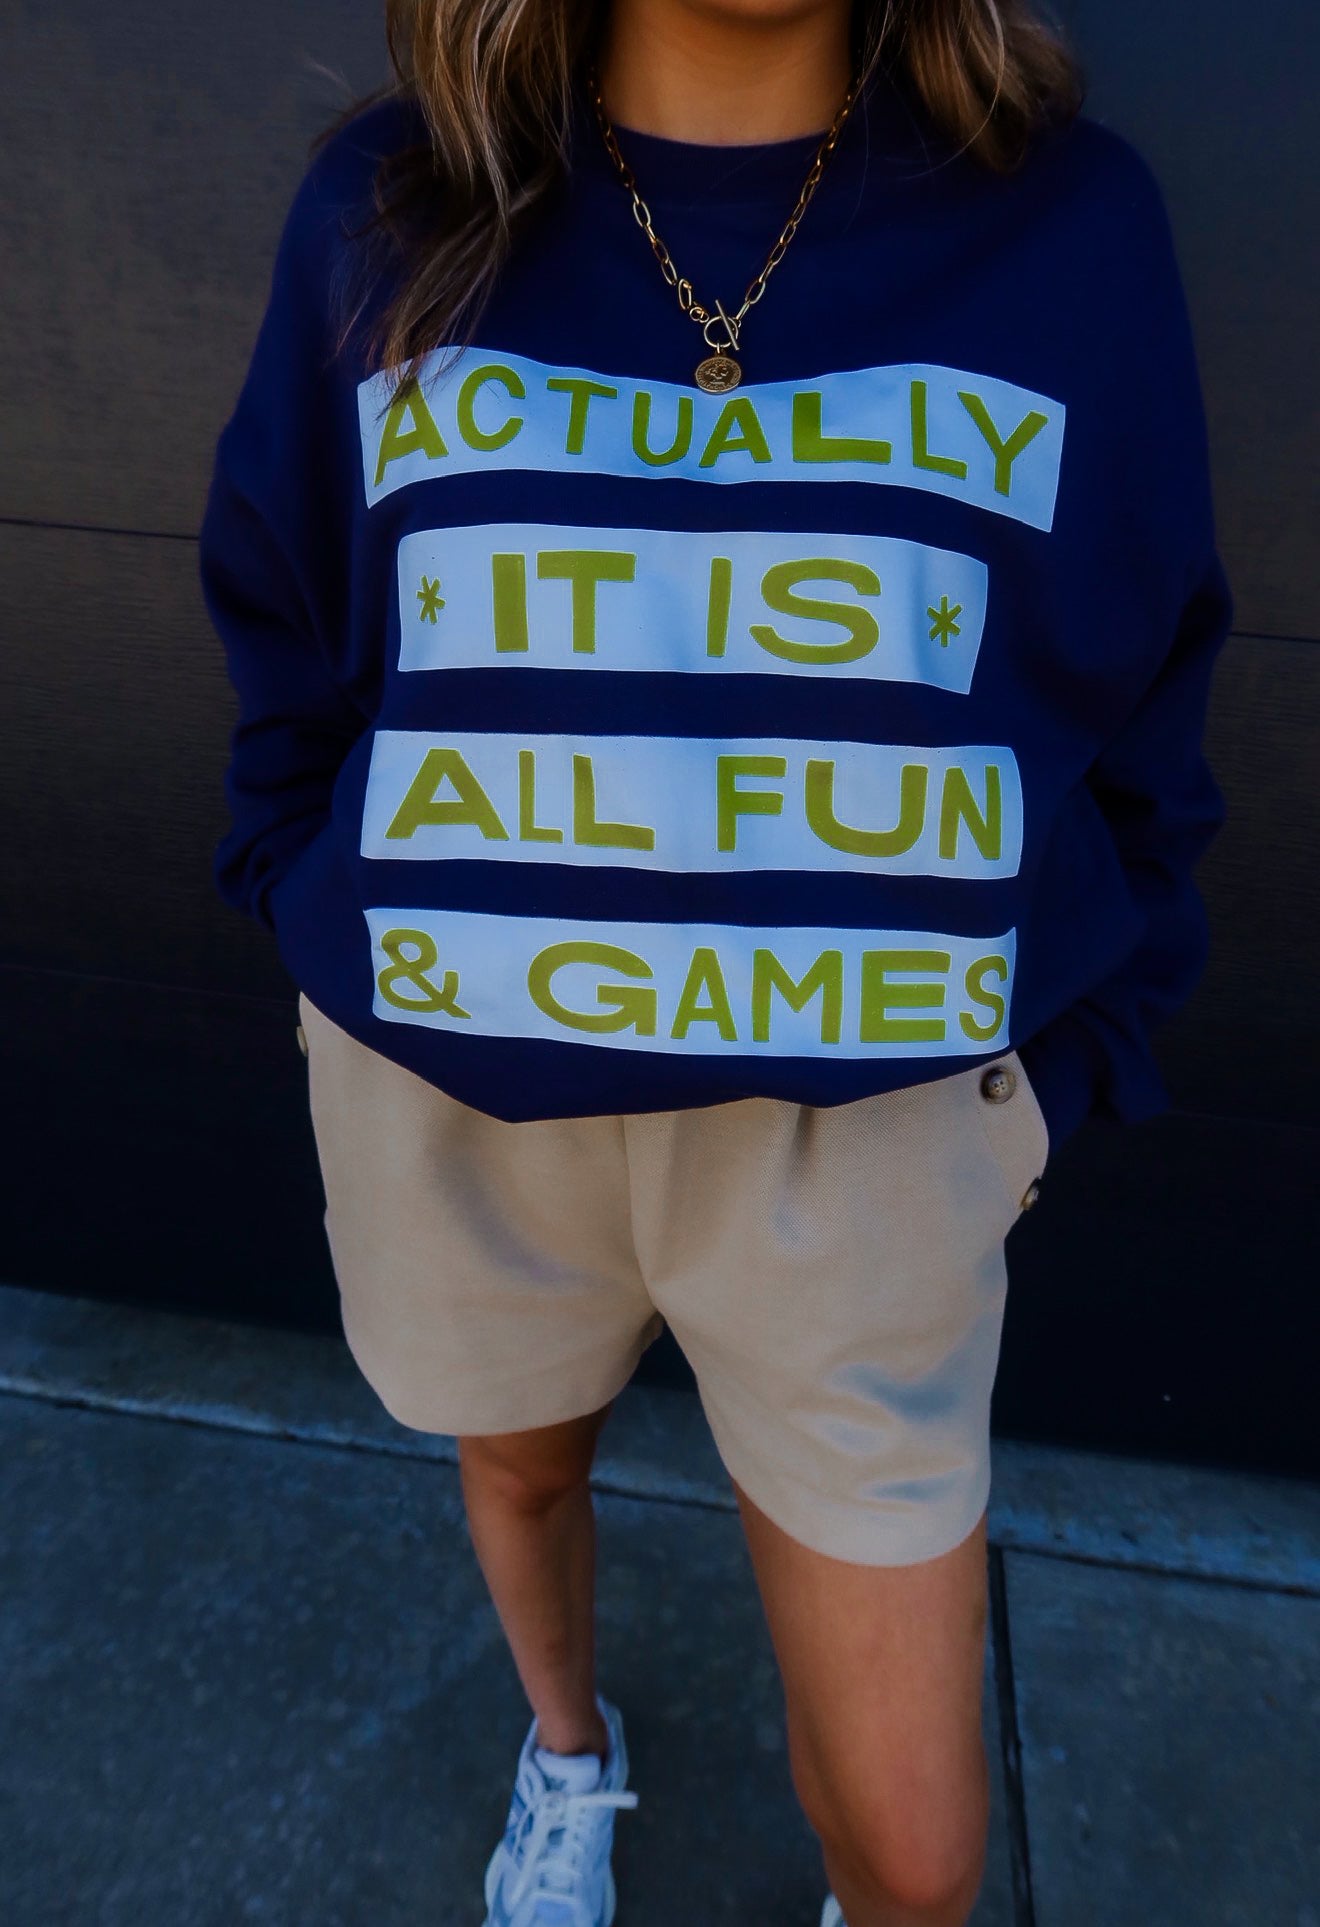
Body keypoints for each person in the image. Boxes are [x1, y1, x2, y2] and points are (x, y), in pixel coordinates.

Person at [198, 0, 1233, 1921]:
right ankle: (566, 1754)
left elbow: (1142, 681)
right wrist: (315, 899)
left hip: (861, 1150)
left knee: (917, 1858)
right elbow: (294, 622)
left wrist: (1034, 1091)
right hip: (459, 1103)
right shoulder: (392, 209)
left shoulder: (1067, 225)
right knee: (519, 1474)